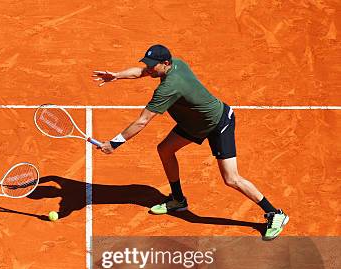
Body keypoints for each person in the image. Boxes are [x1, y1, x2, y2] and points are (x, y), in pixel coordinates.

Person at [92, 44, 288, 240]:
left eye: (153, 65)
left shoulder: (168, 88)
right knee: (165, 150)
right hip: (194, 124)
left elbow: (142, 121)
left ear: (166, 63)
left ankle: (275, 214)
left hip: (218, 123)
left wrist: (114, 144)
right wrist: (117, 75)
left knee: (231, 178)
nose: (149, 69)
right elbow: (141, 72)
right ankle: (178, 200)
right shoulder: (175, 64)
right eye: (148, 64)